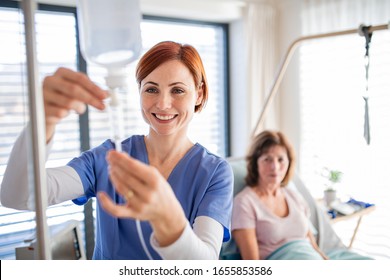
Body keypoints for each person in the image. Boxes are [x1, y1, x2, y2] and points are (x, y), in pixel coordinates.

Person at [1, 41, 233, 260]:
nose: (163, 104)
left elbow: (206, 265)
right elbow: (18, 196)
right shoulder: (109, 157)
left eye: (178, 90)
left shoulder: (215, 172)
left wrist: (167, 218)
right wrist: (43, 121)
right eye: (151, 89)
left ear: (199, 94)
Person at [231, 130, 328, 260]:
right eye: (267, 159)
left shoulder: (294, 196)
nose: (275, 167)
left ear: (289, 162)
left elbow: (313, 246)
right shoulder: (244, 202)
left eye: (281, 159)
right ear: (255, 163)